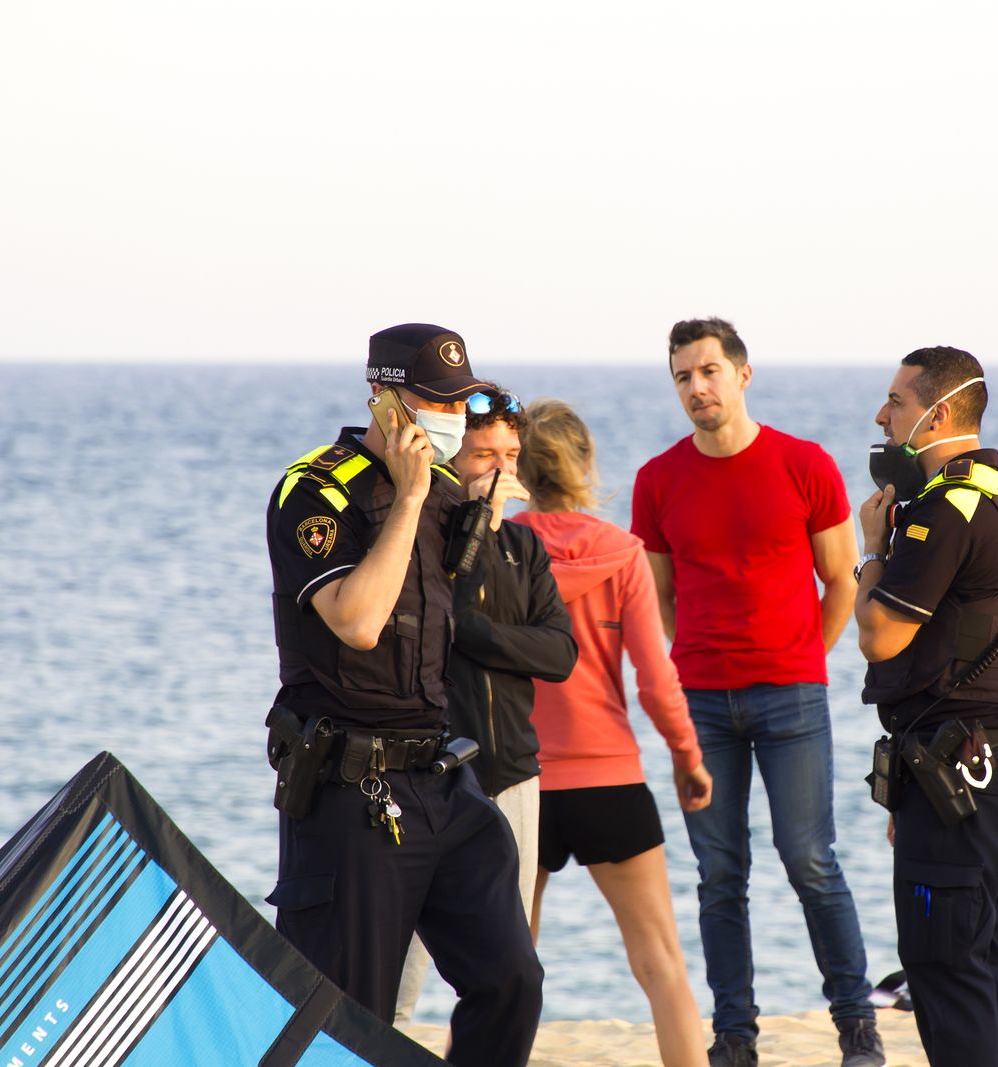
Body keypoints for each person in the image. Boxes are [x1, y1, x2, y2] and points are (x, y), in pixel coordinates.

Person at [264, 323, 541, 1067]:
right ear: (384, 398)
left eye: (462, 403)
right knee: (345, 1018)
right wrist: (413, 494)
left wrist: (468, 504)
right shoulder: (313, 488)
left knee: (512, 977)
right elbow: (357, 620)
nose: (451, 418)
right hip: (353, 790)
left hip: (442, 781)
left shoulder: (449, 492)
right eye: (436, 402)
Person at [632, 318, 883, 1067]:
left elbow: (841, 579)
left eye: (708, 370)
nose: (696, 388)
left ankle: (857, 1026)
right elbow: (662, 595)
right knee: (719, 875)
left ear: (743, 374)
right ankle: (735, 1036)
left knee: (811, 860)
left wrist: (805, 652)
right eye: (682, 376)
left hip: (792, 698)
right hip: (702, 702)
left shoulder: (803, 463)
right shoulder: (658, 479)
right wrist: (688, 665)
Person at [509, 399, 713, 1067]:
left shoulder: (498, 550)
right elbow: (656, 678)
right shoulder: (622, 554)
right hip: (609, 780)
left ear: (521, 468)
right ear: (585, 465)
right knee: (661, 964)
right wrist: (687, 756)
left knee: (501, 971)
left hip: (518, 783)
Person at [854, 346, 998, 1067]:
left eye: (896, 402)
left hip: (962, 774)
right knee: (980, 967)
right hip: (986, 766)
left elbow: (879, 633)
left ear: (940, 413)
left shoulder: (948, 506)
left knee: (946, 972)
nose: (881, 415)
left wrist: (873, 548)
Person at [394, 384, 579, 1025]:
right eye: (482, 455)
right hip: (439, 772)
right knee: (403, 971)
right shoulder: (423, 539)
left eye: (510, 454)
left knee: (509, 962)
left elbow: (560, 654)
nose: (500, 470)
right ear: (451, 459)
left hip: (517, 772)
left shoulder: (524, 547)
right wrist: (471, 529)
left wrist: (484, 638)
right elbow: (442, 624)